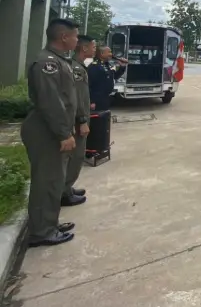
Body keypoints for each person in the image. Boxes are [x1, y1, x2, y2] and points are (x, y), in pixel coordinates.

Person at [21, 18, 79, 247]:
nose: (77, 40)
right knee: (46, 181)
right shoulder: (47, 63)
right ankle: (42, 232)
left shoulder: (58, 60)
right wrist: (64, 133)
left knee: (54, 180)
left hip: (53, 129)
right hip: (46, 131)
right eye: (75, 36)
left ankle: (49, 223)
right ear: (64, 37)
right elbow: (51, 103)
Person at [62, 35, 95, 207]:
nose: (95, 50)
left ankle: (67, 188)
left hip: (78, 118)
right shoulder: (77, 69)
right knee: (76, 157)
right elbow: (78, 98)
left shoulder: (77, 66)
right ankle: (64, 192)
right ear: (84, 48)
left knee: (75, 156)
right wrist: (82, 121)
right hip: (77, 121)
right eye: (93, 47)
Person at [87, 45, 128, 112]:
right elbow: (89, 85)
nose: (111, 54)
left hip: (106, 97)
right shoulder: (95, 66)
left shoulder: (107, 65)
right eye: (109, 52)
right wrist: (92, 101)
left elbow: (115, 76)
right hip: (97, 100)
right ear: (102, 53)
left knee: (105, 116)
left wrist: (122, 67)